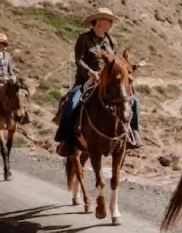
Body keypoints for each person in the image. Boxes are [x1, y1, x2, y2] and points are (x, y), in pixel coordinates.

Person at [54, 8, 142, 156]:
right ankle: (66, 140)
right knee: (72, 102)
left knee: (134, 101)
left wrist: (128, 66)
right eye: (109, 20)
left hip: (108, 82)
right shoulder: (84, 39)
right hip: (86, 81)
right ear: (99, 22)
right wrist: (90, 72)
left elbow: (115, 61)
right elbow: (79, 60)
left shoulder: (110, 40)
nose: (111, 23)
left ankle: (133, 133)